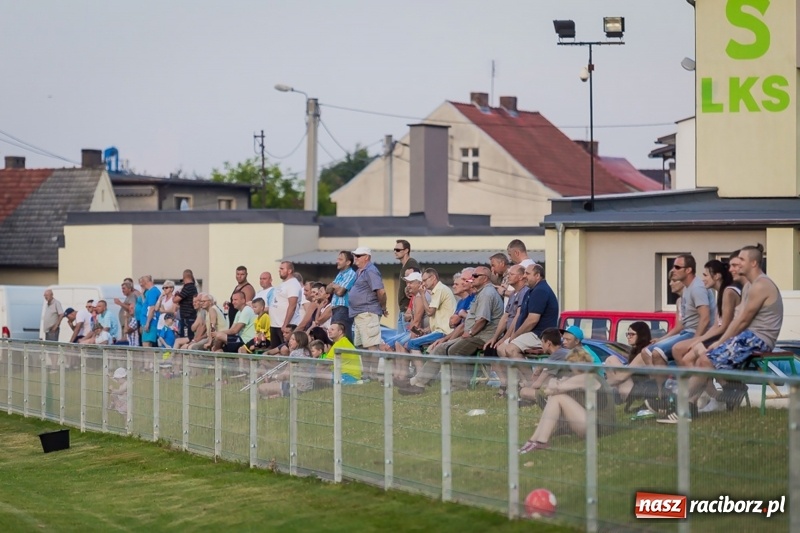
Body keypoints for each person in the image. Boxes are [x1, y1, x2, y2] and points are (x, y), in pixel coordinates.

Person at [682, 245, 784, 419]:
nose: (734, 267)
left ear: (753, 263)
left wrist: (719, 342)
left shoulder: (761, 285)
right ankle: (688, 406)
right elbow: (738, 320)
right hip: (750, 335)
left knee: (705, 359)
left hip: (759, 338)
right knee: (702, 358)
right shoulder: (748, 286)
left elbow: (742, 321)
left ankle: (679, 402)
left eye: (741, 261)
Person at [400, 265, 503, 393]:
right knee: (440, 348)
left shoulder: (487, 293)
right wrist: (447, 338)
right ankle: (418, 382)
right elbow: (464, 323)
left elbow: (482, 320)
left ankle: (459, 387)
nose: (471, 279)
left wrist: (470, 332)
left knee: (454, 350)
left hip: (482, 336)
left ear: (485, 278)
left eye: (475, 276)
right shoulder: (481, 293)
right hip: (471, 334)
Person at [518, 348, 616, 454]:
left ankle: (540, 441)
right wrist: (556, 384)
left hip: (600, 427)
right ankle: (534, 440)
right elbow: (551, 390)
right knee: (557, 397)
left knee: (558, 398)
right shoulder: (588, 376)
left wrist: (553, 381)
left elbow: (550, 390)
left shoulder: (585, 378)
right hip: (600, 425)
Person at [348, 247, 387, 379]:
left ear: (367, 257)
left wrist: (383, 307)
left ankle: (374, 376)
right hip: (359, 314)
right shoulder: (360, 271)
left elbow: (381, 291)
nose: (356, 258)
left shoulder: (371, 271)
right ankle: (366, 375)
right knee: (362, 346)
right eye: (355, 255)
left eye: (359, 256)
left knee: (371, 345)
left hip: (368, 312)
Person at [604, 321, 651, 405]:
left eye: (632, 334)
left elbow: (621, 377)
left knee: (612, 359)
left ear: (641, 335)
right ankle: (612, 395)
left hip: (640, 392)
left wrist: (602, 385)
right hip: (633, 387)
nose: (628, 337)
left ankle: (611, 395)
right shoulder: (634, 352)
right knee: (611, 360)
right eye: (628, 334)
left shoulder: (643, 354)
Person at [257, 331, 314, 398]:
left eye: (293, 339)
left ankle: (280, 394)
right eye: (290, 339)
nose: (290, 341)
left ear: (299, 341)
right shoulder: (307, 352)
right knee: (271, 384)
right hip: (308, 386)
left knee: (261, 387)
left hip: (296, 387)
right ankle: (277, 395)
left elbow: (285, 375)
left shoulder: (295, 354)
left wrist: (272, 377)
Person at [269, 261, 302, 348]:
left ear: (289, 270)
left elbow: (292, 305)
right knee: (274, 350)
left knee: (284, 349)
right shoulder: (283, 284)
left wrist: (285, 324)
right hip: (275, 324)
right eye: (279, 268)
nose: (279, 270)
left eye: (282, 268)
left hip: (284, 326)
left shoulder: (293, 284)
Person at [327, 251, 357, 342]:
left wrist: (334, 286)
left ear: (348, 262)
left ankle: (346, 356)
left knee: (343, 337)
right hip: (335, 309)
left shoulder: (351, 274)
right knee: (335, 338)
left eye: (340, 259)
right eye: (337, 259)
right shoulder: (340, 274)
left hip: (344, 309)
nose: (337, 261)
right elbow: (328, 290)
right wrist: (335, 286)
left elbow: (340, 292)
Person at [393, 240, 420, 333]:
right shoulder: (405, 266)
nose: (395, 252)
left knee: (405, 340)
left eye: (398, 249)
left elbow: (416, 285)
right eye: (394, 249)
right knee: (399, 341)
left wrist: (410, 308)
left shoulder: (411, 264)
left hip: (408, 309)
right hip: (403, 309)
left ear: (406, 250)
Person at [173, 269, 198, 340]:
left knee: (185, 338)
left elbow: (175, 300)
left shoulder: (187, 287)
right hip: (189, 316)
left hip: (187, 317)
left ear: (184, 278)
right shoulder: (193, 287)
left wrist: (177, 293)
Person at [140, 275, 162, 348]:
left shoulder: (153, 291)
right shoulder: (149, 292)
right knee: (146, 344)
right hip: (147, 322)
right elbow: (145, 305)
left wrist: (147, 323)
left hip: (151, 323)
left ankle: (148, 360)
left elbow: (152, 308)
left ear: (145, 282)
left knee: (146, 345)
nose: (142, 286)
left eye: (142, 284)